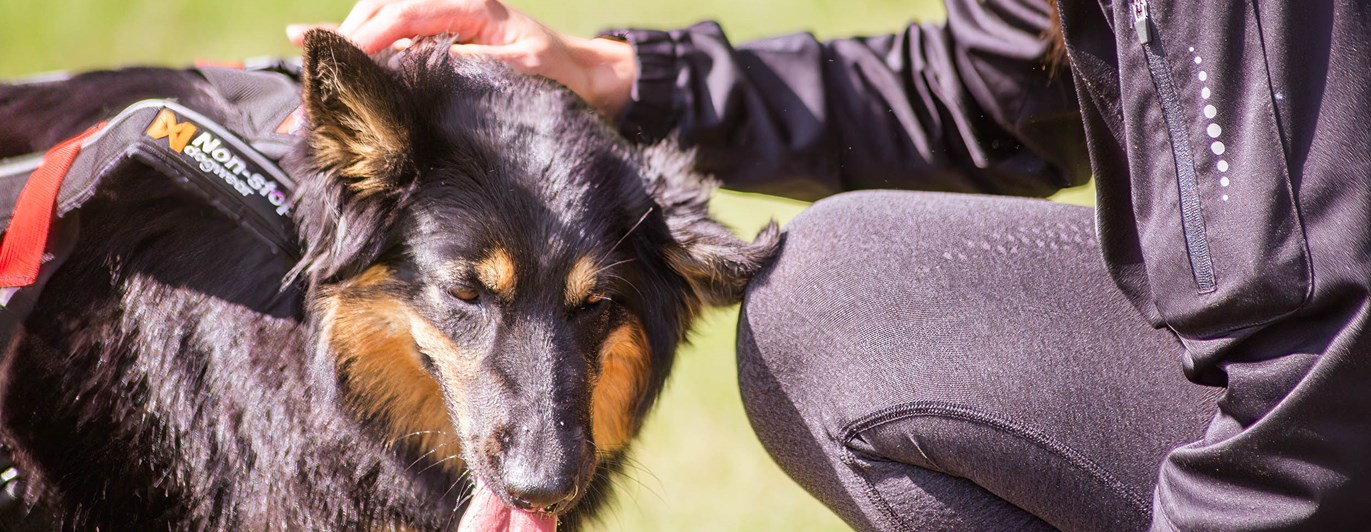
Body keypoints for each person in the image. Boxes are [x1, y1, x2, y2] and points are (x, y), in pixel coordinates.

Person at [289, 1, 1371, 529]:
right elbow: (978, 92)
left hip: (1327, 401)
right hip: (1286, 360)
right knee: (838, 294)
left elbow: (1320, 376)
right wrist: (616, 73)